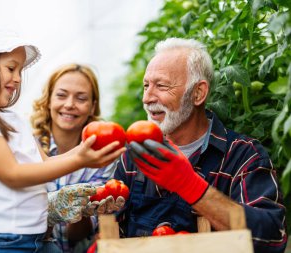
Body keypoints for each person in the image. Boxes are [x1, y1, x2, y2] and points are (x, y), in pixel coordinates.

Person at [0, 24, 125, 253]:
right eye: (11, 68)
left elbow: (43, 164)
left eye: (19, 71)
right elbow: (12, 175)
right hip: (3, 241)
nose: (17, 79)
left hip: (36, 239)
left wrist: (83, 151)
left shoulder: (11, 118)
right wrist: (80, 160)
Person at [114, 38, 287, 253]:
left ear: (198, 93)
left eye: (161, 86)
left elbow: (272, 238)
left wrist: (190, 185)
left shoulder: (243, 156)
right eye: (146, 86)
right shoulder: (133, 157)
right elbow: (114, 233)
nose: (147, 98)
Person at [31, 63, 123, 253]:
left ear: (92, 107)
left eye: (81, 98)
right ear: (48, 100)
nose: (70, 104)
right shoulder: (30, 147)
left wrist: (82, 208)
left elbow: (76, 235)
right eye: (61, 95)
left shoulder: (102, 156)